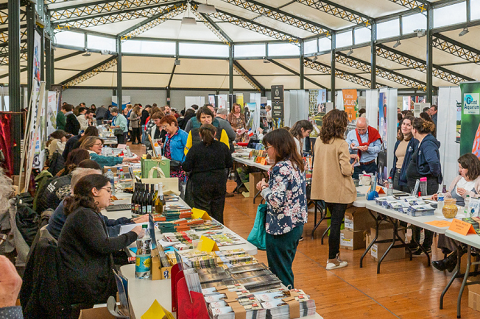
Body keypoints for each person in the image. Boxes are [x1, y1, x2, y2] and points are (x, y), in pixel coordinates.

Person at [59, 175, 144, 305]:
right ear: (95, 191)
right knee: (137, 284)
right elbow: (104, 245)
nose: (111, 195)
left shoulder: (86, 211)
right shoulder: (85, 215)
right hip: (87, 283)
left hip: (85, 270)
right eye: (108, 191)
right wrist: (133, 234)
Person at [254, 129, 307, 288]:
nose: (266, 151)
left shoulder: (280, 168)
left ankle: (286, 305)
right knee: (285, 268)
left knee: (279, 273)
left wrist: (263, 188)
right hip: (295, 225)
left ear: (278, 147)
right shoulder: (296, 164)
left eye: (268, 146)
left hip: (281, 228)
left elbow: (276, 201)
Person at [311, 109, 357, 270]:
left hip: (324, 189)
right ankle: (332, 259)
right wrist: (351, 167)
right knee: (336, 224)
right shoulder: (341, 143)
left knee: (333, 223)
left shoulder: (318, 141)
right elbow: (345, 170)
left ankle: (334, 257)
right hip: (339, 190)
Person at [47, 167, 148, 240]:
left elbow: (104, 223)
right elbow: (105, 235)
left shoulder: (77, 201)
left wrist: (131, 221)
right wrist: (133, 228)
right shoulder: (79, 210)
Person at [431, 153, 480, 271]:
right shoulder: (458, 179)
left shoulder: (478, 181)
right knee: (445, 224)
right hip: (454, 212)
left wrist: (468, 194)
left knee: (457, 226)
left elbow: (478, 199)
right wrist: (440, 196)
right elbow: (449, 194)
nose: (460, 171)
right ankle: (452, 257)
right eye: (459, 167)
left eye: (462, 168)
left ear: (471, 167)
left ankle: (452, 259)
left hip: (469, 216)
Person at [182, 124, 232, 223]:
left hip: (200, 183)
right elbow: (229, 163)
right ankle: (219, 233)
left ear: (200, 134)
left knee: (203, 211)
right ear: (215, 133)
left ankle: (205, 233)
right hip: (219, 182)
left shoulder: (195, 148)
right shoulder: (223, 147)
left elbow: (186, 167)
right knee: (218, 211)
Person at [406, 117, 442, 255]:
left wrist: (424, 173)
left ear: (415, 130)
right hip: (420, 185)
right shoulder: (423, 142)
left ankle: (426, 245)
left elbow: (434, 164)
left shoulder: (427, 144)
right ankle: (417, 244)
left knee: (427, 215)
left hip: (427, 186)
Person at [390, 116, 418, 192]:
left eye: (408, 125)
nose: (405, 126)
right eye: (404, 124)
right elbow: (395, 161)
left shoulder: (414, 142)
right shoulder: (398, 142)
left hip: (407, 176)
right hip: (397, 174)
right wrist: (391, 176)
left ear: (413, 128)